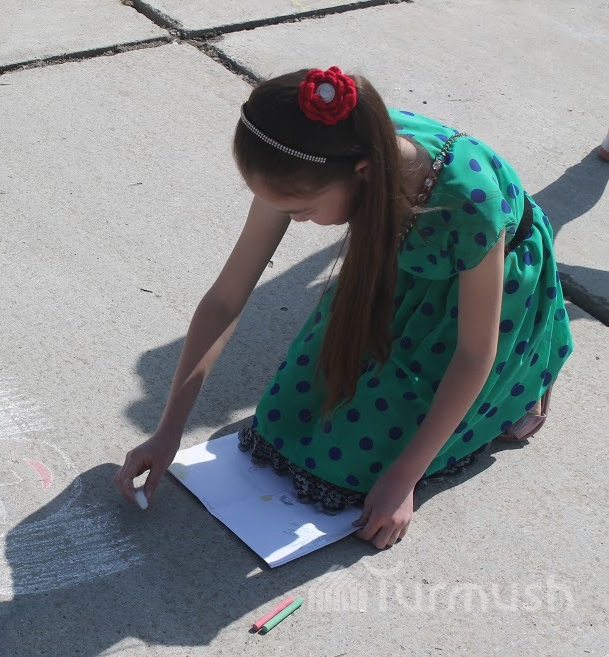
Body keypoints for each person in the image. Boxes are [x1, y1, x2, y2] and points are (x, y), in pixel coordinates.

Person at [114, 67, 573, 550]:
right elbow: (227, 296)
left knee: (362, 469)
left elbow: (474, 352)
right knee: (283, 423)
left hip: (484, 297)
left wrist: (404, 479)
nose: (295, 221)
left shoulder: (470, 206)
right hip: (400, 267)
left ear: (364, 173)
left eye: (302, 211)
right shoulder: (308, 155)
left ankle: (526, 376)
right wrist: (168, 431)